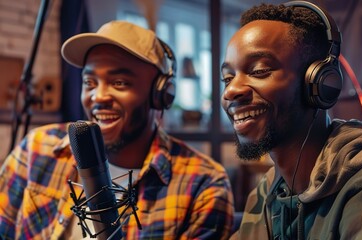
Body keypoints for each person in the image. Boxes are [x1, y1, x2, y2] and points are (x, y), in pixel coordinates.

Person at [0, 20, 234, 239]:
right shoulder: (38, 147)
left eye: (119, 83)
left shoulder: (203, 184)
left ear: (161, 94)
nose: (98, 96)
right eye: (89, 83)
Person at [221, 1, 362, 239]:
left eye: (258, 71)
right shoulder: (266, 193)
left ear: (318, 83)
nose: (231, 91)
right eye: (228, 78)